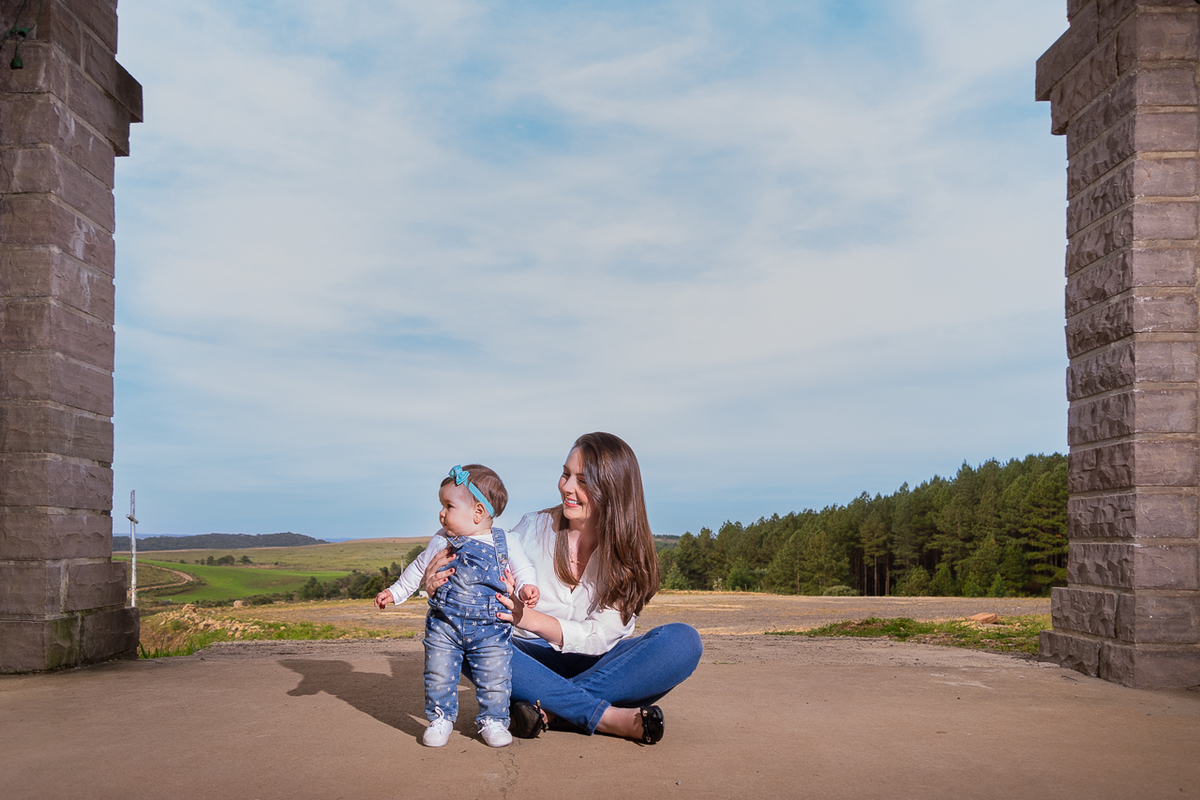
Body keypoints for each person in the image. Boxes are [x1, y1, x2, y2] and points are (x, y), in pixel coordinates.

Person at [423, 433, 703, 744]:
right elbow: (473, 575)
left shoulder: (629, 553)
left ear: (613, 490)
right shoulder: (530, 528)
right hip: (528, 659)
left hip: (603, 662)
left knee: (682, 643)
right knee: (465, 641)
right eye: (566, 474)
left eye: (582, 481)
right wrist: (437, 586)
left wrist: (528, 618)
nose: (567, 487)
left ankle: (549, 710)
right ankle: (605, 717)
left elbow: (601, 636)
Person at [375, 464, 540, 748]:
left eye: (448, 506)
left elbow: (523, 567)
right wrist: (395, 592)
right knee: (439, 673)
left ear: (478, 511)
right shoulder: (442, 539)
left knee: (495, 675)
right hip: (445, 625)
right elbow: (420, 568)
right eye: (441, 505)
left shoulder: (505, 541)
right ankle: (440, 718)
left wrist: (527, 587)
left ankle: (494, 720)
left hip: (490, 628)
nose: (441, 513)